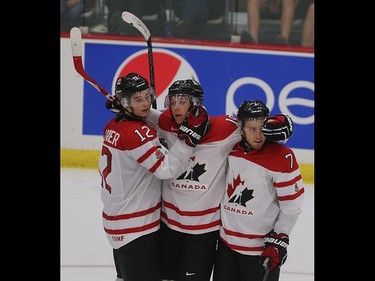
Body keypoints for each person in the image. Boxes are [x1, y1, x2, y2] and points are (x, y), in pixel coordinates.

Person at [144, 79, 294, 281]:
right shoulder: (166, 123)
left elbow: (253, 125)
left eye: (183, 101)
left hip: (204, 232)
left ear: (196, 102)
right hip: (168, 226)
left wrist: (284, 121)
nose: (176, 107)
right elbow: (145, 114)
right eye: (173, 101)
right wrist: (123, 105)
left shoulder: (224, 128)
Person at [99, 72, 210, 281]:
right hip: (136, 226)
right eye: (138, 99)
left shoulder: (113, 126)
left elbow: (146, 123)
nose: (146, 103)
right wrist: (188, 141)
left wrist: (127, 108)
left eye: (147, 96)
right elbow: (167, 169)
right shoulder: (138, 133)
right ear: (124, 103)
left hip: (117, 219)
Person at [212, 100, 304, 281]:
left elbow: (292, 207)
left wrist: (280, 238)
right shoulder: (230, 149)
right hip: (226, 247)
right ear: (242, 129)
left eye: (262, 128)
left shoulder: (282, 157)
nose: (258, 135)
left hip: (260, 252)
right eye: (252, 129)